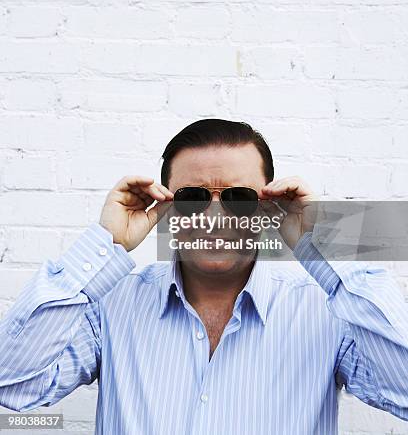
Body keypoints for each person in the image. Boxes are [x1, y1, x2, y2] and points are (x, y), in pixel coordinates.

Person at [0, 118, 407, 435]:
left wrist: (324, 244)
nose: (214, 218)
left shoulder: (327, 310)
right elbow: (14, 385)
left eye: (239, 197)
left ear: (270, 207)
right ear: (166, 207)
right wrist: (107, 244)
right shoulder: (110, 305)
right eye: (193, 196)